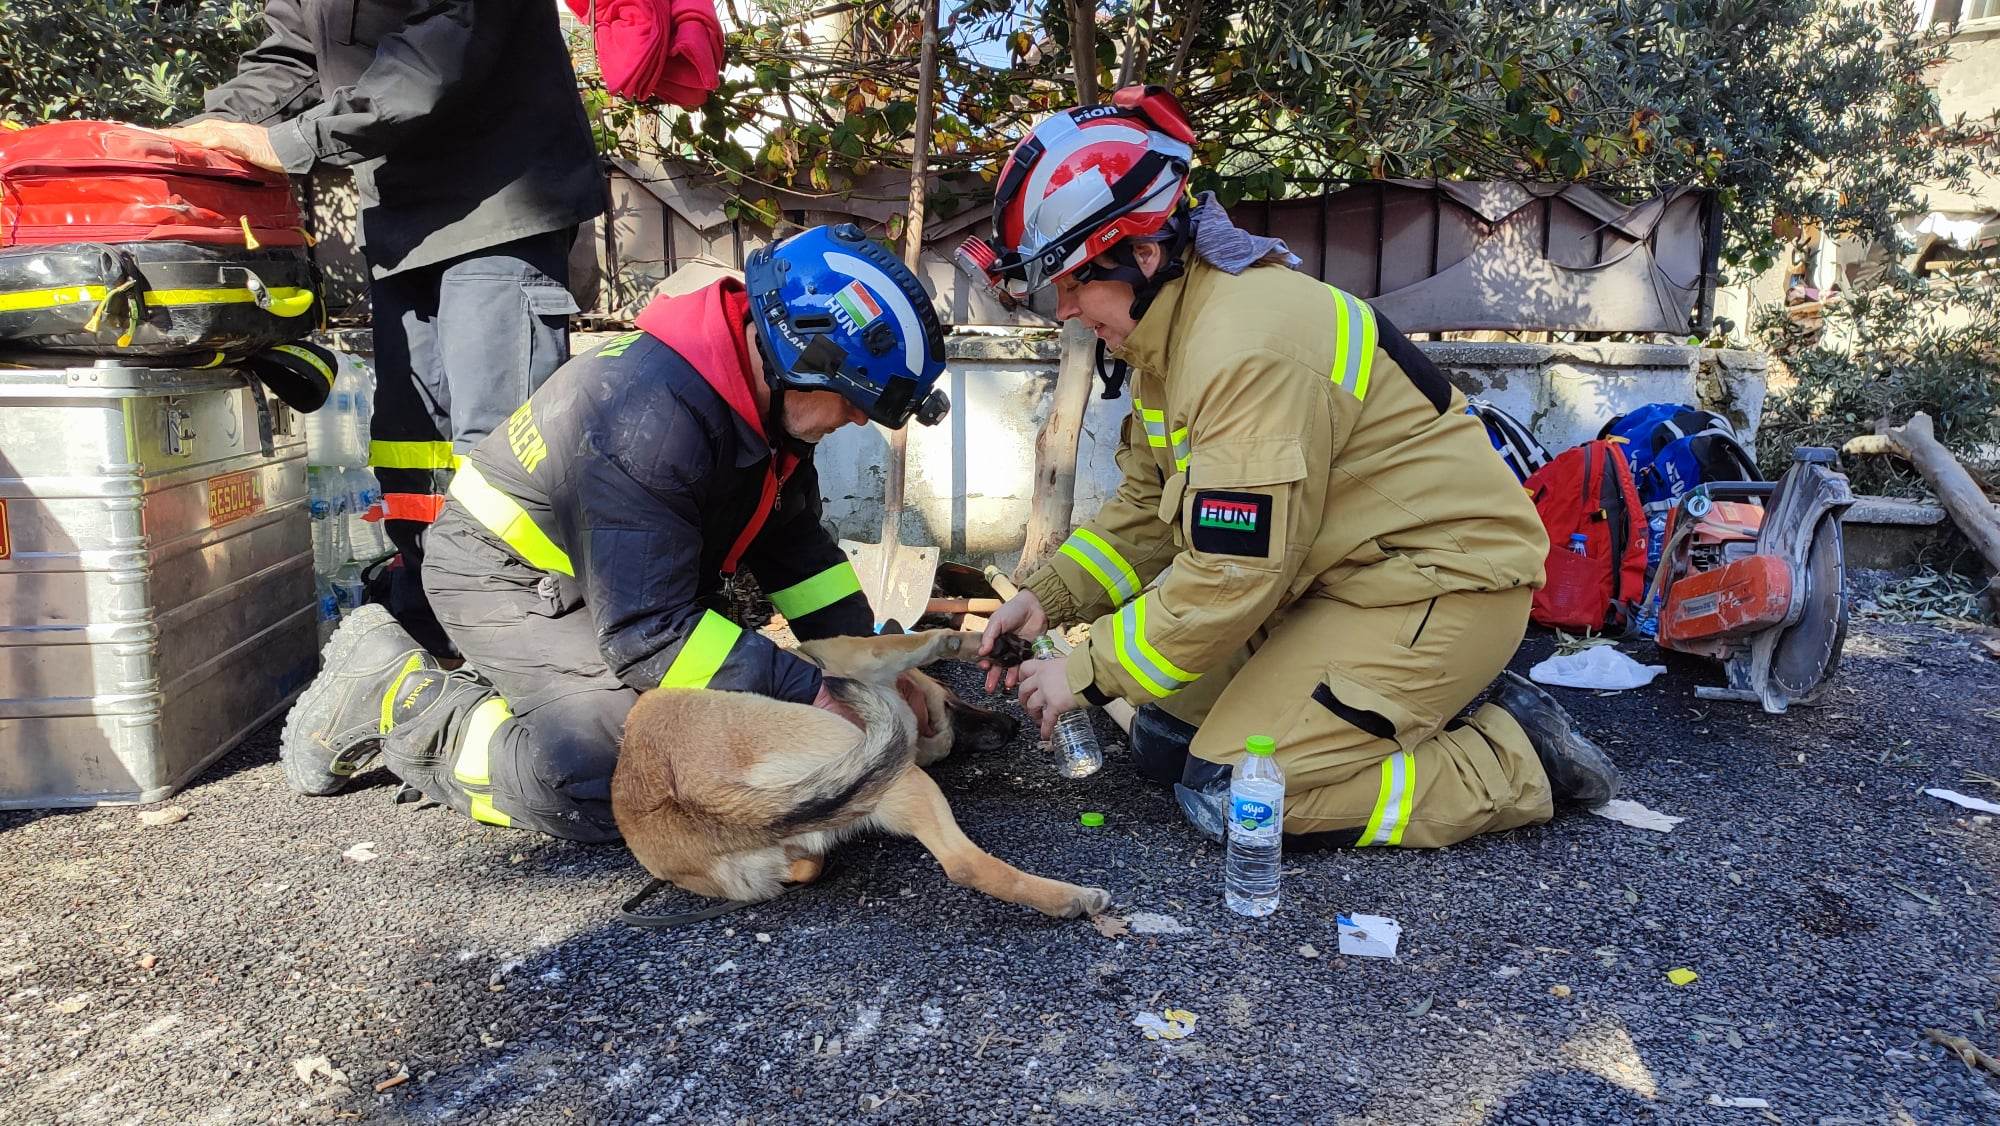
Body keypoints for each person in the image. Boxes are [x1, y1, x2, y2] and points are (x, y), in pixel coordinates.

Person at [969, 87, 1620, 848]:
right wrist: (1049, 600)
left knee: (1232, 794)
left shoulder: (1243, 347)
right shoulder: (1169, 346)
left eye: (1076, 282)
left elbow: (1231, 570)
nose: (1068, 310)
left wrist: (1084, 672)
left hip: (1435, 589)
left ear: (1143, 254)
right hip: (1335, 587)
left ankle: (1515, 759)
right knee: (1162, 739)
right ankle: (1415, 707)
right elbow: (1150, 512)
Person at [277, 224, 950, 840]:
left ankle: (513, 691)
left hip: (609, 590)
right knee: (636, 775)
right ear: (799, 355)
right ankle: (409, 705)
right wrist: (818, 695)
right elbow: (649, 634)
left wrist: (874, 665)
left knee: (742, 735)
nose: (860, 422)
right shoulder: (649, 417)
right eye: (855, 401)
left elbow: (797, 551)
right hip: (504, 580)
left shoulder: (757, 405)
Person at [160, 0, 605, 656]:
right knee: (411, 444)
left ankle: (531, 653)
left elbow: (447, 43)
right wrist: (203, 132)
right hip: (401, 221)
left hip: (500, 209)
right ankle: (436, 628)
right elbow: (291, 56)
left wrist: (286, 143)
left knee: (498, 451)